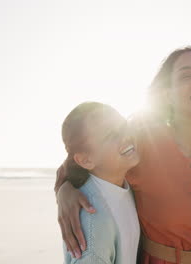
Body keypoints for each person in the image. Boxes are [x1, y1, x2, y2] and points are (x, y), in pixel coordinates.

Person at [55, 46, 191, 264]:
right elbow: (84, 159)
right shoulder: (141, 139)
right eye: (186, 76)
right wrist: (65, 190)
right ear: (167, 94)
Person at [60, 102, 140, 263]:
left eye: (124, 126)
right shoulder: (94, 225)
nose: (125, 136)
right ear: (85, 160)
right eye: (110, 134)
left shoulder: (119, 185)